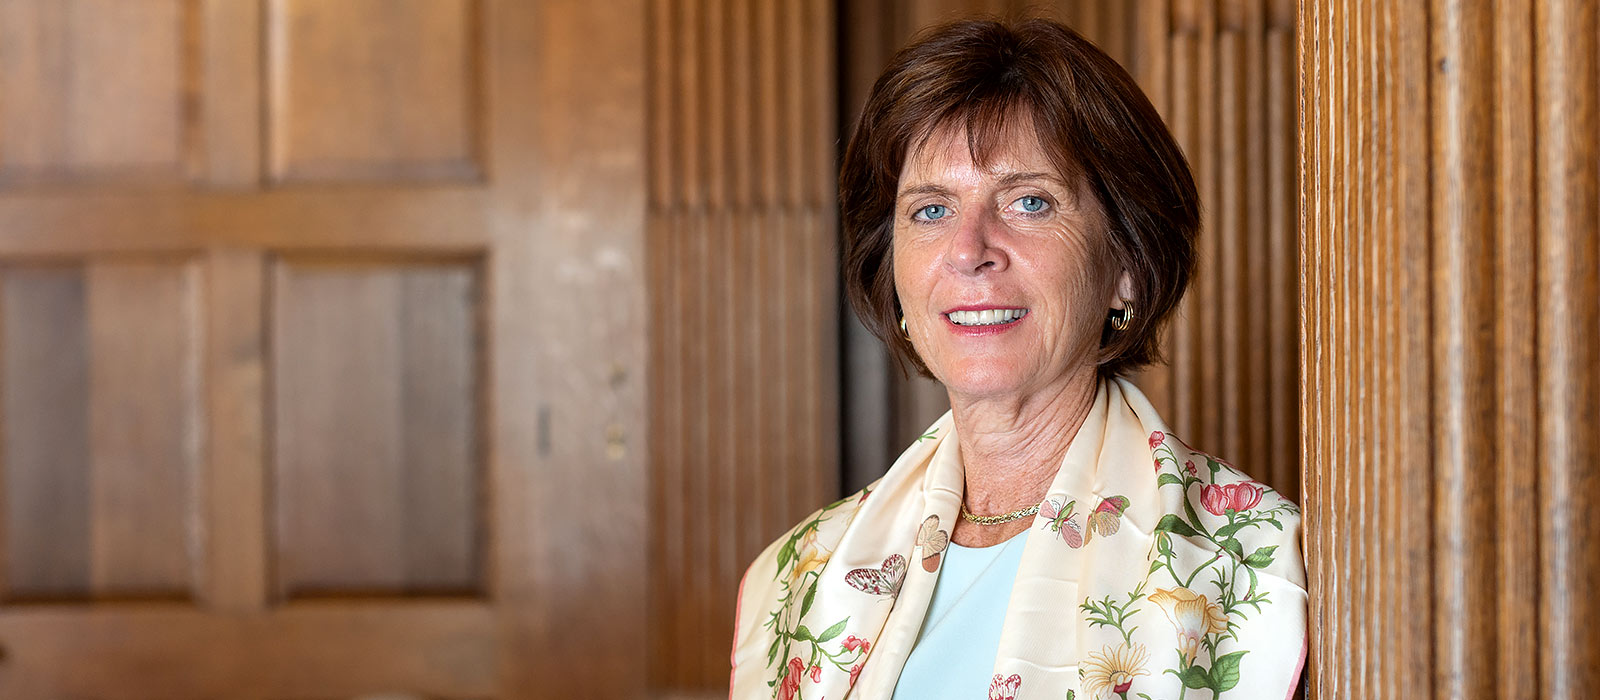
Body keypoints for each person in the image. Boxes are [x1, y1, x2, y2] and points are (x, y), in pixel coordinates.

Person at [729, 18, 1306, 700]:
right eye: (931, 210)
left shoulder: (1256, 569)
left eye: (1029, 202)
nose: (971, 249)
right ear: (893, 274)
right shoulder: (797, 578)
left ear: (1126, 263)